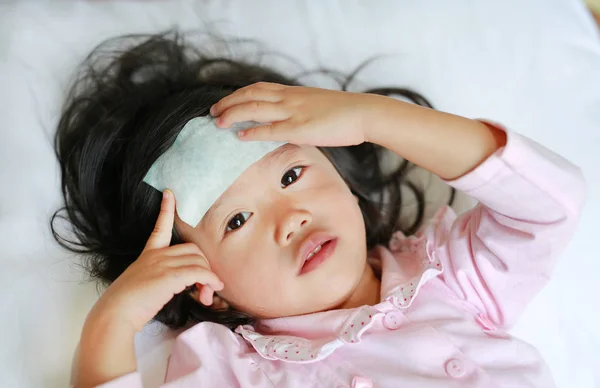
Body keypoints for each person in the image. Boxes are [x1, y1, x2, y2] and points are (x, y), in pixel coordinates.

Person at [52, 32, 585, 388]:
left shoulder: (447, 273)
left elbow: (548, 204)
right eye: (237, 220)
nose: (291, 219)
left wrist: (376, 119)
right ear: (200, 284)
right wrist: (111, 324)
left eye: (290, 175)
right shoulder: (233, 368)